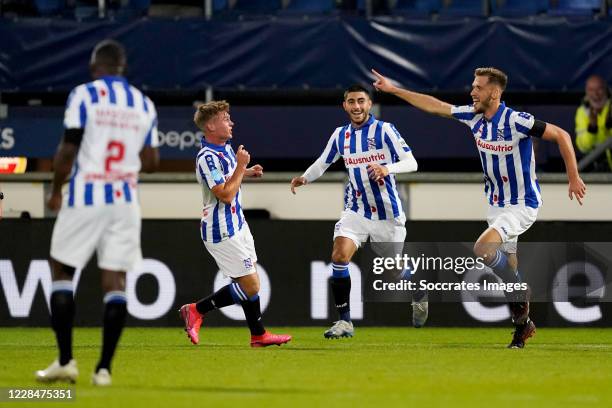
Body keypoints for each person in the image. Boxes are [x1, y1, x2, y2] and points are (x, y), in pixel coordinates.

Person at [372, 67, 586, 348]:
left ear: (495, 92)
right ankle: (522, 327)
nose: (473, 91)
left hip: (522, 205)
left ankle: (520, 292)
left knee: (483, 249)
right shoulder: (473, 117)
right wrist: (395, 90)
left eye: (479, 87)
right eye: (473, 86)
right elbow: (436, 107)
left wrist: (573, 176)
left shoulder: (516, 120)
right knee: (509, 270)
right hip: (496, 206)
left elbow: (562, 135)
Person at [35, 39, 159, 386]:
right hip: (124, 199)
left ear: (94, 68)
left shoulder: (84, 95)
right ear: (123, 69)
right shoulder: (143, 103)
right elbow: (151, 162)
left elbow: (67, 149)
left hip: (85, 195)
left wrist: (56, 190)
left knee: (62, 270)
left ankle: (65, 360)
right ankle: (103, 370)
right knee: (115, 280)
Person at [290, 84, 424, 339]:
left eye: (361, 101)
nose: (356, 106)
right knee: (339, 256)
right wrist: (304, 178)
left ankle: (417, 289)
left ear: (369, 103)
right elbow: (323, 161)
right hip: (357, 211)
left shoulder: (385, 130)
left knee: (393, 272)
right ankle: (344, 322)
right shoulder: (341, 135)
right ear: (345, 106)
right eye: (351, 101)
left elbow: (412, 163)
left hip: (388, 214)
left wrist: (387, 169)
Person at [179, 101, 291, 348]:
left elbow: (230, 177)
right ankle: (196, 310)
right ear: (210, 125)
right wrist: (241, 166)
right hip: (220, 229)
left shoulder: (225, 148)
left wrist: (247, 171)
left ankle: (258, 335)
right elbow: (226, 194)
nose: (231, 122)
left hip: (237, 224)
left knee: (249, 284)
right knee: (251, 285)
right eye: (225, 118)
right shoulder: (206, 157)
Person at [575, 75, 612, 171]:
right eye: (591, 90)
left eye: (599, 89)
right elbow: (583, 147)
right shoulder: (582, 111)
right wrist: (592, 128)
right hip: (594, 167)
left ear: (606, 90)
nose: (596, 94)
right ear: (586, 92)